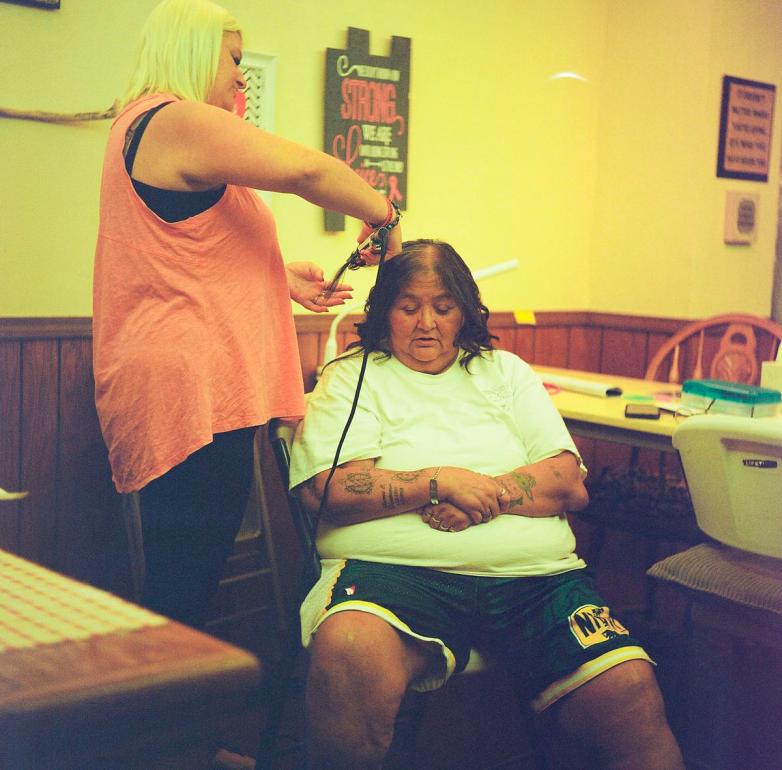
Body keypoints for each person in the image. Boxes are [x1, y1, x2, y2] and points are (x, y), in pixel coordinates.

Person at [288, 239, 684, 769]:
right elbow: (329, 490)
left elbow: (568, 482)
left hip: (536, 583)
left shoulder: (506, 372)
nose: (426, 323)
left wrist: (481, 494)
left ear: (465, 313)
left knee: (630, 688)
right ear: (383, 312)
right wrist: (436, 481)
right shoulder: (351, 376)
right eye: (408, 307)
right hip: (393, 578)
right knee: (349, 650)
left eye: (443, 307)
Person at [92, 0, 402, 636]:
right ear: (192, 52)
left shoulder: (157, 132)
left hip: (196, 382)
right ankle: (174, 705)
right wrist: (385, 214)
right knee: (184, 586)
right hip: (186, 387)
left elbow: (180, 253)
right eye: (233, 58)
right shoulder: (172, 119)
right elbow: (308, 170)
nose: (241, 76)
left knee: (189, 576)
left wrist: (279, 279)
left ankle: (181, 702)